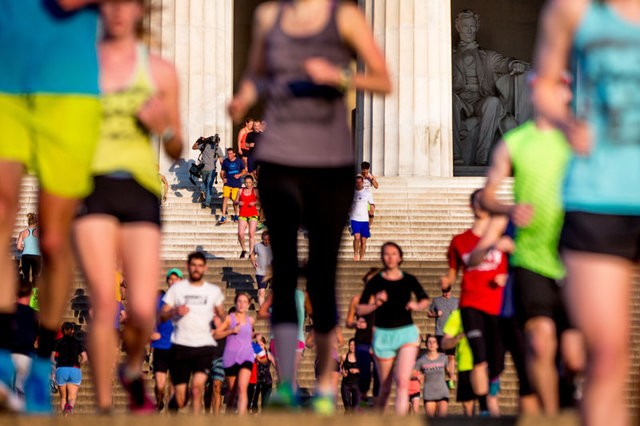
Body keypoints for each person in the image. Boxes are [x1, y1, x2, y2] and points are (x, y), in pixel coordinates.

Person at [228, 0, 391, 413]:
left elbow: (384, 80)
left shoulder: (346, 17)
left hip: (330, 162)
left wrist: (337, 75)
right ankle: (285, 384)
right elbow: (256, 74)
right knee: (283, 272)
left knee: (321, 274)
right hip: (280, 158)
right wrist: (242, 97)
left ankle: (322, 386)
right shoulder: (270, 16)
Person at [532, 1, 640, 425]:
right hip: (599, 194)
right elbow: (542, 84)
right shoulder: (571, 10)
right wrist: (564, 123)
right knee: (608, 355)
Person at [73, 0, 182, 413]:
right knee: (104, 301)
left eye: (126, 4)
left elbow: (176, 144)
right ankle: (103, 408)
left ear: (141, 11)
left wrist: (163, 127)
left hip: (140, 188)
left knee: (139, 309)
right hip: (92, 185)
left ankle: (133, 369)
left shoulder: (159, 72)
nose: (117, 11)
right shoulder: (80, 67)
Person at [0, 0, 102, 413]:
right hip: (10, 80)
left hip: (68, 89)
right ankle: (4, 354)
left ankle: (41, 363)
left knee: (55, 239)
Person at [478, 69, 582, 414]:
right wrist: (508, 206)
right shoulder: (516, 142)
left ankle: (567, 389)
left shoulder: (580, 139)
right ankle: (551, 418)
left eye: (558, 89)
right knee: (538, 339)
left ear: (567, 94)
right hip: (530, 257)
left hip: (576, 257)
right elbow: (488, 194)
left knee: (575, 357)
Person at [441, 189, 508, 416]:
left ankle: (491, 394)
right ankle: (485, 409)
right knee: (479, 358)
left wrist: (505, 278)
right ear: (472, 207)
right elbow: (452, 273)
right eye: (477, 201)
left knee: (496, 363)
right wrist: (447, 280)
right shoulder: (460, 241)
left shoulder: (502, 238)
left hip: (498, 306)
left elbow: (515, 267)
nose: (481, 205)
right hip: (471, 304)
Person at [357, 242, 429, 415]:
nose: (390, 257)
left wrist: (416, 305)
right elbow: (360, 308)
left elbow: (425, 299)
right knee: (385, 388)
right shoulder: (376, 281)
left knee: (403, 382)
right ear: (382, 257)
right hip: (383, 335)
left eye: (394, 253)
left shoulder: (409, 279)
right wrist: (375, 303)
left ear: (400, 257)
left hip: (406, 333)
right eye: (386, 254)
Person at [452, 9, 530, 166]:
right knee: (448, 100)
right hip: (460, 101)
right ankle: (454, 153)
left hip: (480, 100)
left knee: (493, 102)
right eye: (465, 26)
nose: (469, 30)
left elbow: (503, 62)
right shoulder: (448, 57)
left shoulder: (486, 57)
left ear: (477, 27)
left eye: (472, 26)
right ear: (458, 27)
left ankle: (483, 155)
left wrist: (513, 64)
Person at [160, 252, 226, 414]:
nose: (196, 269)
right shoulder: (177, 289)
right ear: (188, 267)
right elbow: (161, 315)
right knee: (181, 397)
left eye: (199, 265)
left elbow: (223, 315)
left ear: (205, 268)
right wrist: (175, 311)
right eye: (193, 265)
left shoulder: (213, 291)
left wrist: (219, 323)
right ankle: (176, 405)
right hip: (181, 346)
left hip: (203, 347)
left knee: (197, 389)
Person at [345, 267, 380, 406]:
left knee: (378, 375)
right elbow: (348, 321)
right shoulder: (357, 300)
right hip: (362, 341)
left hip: (379, 343)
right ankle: (362, 401)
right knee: (364, 374)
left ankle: (378, 407)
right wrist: (355, 324)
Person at [217, 293, 256, 415]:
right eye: (239, 301)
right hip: (231, 358)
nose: (242, 304)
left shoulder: (251, 320)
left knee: (242, 388)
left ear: (248, 305)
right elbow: (217, 334)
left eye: (245, 301)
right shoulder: (229, 319)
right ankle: (229, 415)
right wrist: (231, 331)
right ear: (235, 302)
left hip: (246, 357)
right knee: (233, 391)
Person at [150, 268, 182, 411]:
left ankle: (172, 412)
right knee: (160, 384)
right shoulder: (159, 300)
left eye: (176, 279)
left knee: (174, 384)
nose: (173, 281)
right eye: (170, 279)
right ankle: (159, 400)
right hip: (161, 345)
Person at [441, 309, 476, 416]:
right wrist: (459, 337)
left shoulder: (488, 311)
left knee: (488, 401)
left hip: (484, 362)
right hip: (465, 365)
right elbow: (445, 343)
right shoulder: (458, 314)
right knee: (467, 404)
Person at [11, 278, 38, 401]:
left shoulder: (7, 311)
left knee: (7, 388)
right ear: (31, 293)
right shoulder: (34, 314)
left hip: (7, 353)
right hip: (26, 354)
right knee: (22, 389)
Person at [427, 285, 459, 389]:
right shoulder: (436, 300)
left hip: (452, 333)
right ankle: (439, 379)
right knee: (440, 357)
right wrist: (436, 314)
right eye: (444, 292)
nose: (446, 294)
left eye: (448, 292)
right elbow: (428, 313)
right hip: (440, 332)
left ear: (451, 289)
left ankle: (451, 379)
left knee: (451, 356)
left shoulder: (456, 301)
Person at [54, 322, 87, 416]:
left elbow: (52, 358)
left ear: (62, 331)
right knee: (72, 398)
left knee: (63, 397)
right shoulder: (78, 342)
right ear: (72, 330)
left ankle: (65, 418)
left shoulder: (58, 342)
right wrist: (79, 364)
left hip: (61, 369)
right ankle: (69, 409)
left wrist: (56, 365)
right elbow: (85, 358)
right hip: (74, 369)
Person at [414, 334, 450, 417]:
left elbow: (449, 371)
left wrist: (451, 374)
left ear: (437, 345)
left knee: (442, 421)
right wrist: (417, 376)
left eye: (434, 342)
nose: (432, 344)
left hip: (442, 392)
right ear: (426, 344)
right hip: (429, 393)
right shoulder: (422, 360)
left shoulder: (444, 358)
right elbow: (412, 373)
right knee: (431, 421)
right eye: (429, 342)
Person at [192, 135, 224, 208]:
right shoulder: (217, 148)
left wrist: (199, 140)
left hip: (203, 168)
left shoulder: (204, 145)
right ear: (217, 142)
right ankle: (207, 203)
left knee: (204, 182)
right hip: (211, 169)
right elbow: (221, 161)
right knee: (209, 186)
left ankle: (202, 190)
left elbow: (193, 147)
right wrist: (224, 169)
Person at [350, 175, 375, 261]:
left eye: (360, 182)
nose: (358, 184)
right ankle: (355, 254)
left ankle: (362, 257)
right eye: (357, 183)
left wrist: (372, 208)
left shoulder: (367, 192)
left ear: (363, 183)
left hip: (364, 219)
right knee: (357, 237)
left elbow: (372, 203)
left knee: (363, 240)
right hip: (354, 218)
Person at [218, 148, 247, 224]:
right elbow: (222, 172)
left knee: (235, 200)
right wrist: (223, 178)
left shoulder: (239, 161)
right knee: (225, 198)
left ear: (234, 154)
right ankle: (223, 216)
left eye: (230, 153)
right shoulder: (225, 162)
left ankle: (236, 214)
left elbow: (244, 171)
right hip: (227, 183)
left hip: (236, 184)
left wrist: (239, 175)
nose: (229, 155)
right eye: (228, 154)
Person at [235, 175, 260, 259]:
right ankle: (244, 249)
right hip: (242, 214)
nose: (248, 184)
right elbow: (235, 201)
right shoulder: (240, 190)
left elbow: (260, 201)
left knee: (251, 233)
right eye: (246, 182)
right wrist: (239, 203)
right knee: (240, 233)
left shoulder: (255, 190)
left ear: (252, 182)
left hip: (253, 214)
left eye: (249, 182)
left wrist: (254, 202)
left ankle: (251, 252)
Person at [16, 213, 41, 286]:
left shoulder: (22, 232)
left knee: (26, 277)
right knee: (35, 277)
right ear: (36, 222)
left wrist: (24, 248)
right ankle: (34, 297)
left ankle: (26, 295)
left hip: (25, 256)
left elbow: (18, 247)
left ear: (28, 222)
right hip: (36, 256)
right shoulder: (38, 232)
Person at [252, 231, 273, 307]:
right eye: (265, 239)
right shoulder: (257, 246)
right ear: (262, 239)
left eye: (268, 239)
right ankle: (262, 310)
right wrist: (253, 261)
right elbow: (252, 254)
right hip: (260, 272)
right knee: (261, 292)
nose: (267, 241)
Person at [339, 338, 361, 412]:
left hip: (357, 385)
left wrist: (357, 370)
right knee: (348, 409)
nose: (352, 347)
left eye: (354, 345)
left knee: (355, 410)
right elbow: (340, 367)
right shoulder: (344, 356)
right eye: (351, 345)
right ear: (348, 346)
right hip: (346, 384)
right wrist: (342, 372)